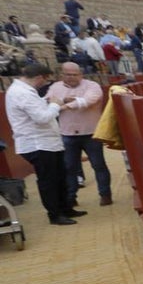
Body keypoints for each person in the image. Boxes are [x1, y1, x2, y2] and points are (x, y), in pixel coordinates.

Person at [4, 63, 85, 225]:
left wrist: (50, 101)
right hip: (38, 144)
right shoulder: (22, 93)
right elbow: (42, 118)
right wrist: (55, 104)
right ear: (39, 77)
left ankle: (64, 208)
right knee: (49, 180)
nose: (45, 84)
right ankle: (55, 214)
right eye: (45, 80)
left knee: (59, 176)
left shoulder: (22, 91)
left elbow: (36, 110)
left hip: (45, 142)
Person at [45, 62, 113, 207]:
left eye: (74, 74)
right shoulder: (55, 87)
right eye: (68, 74)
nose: (71, 77)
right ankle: (71, 197)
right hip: (67, 133)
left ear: (81, 75)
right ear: (62, 75)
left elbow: (88, 100)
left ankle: (105, 194)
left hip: (91, 133)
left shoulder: (91, 85)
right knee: (69, 168)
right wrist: (68, 101)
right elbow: (49, 101)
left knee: (98, 165)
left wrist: (63, 105)